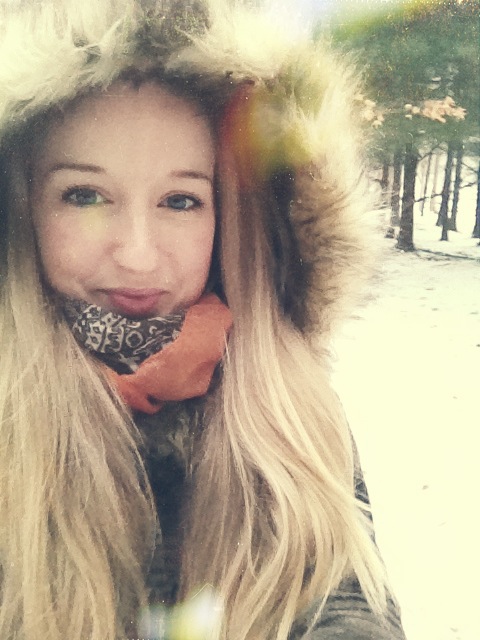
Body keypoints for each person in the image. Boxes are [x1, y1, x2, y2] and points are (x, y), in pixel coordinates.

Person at [0, 1, 406, 639]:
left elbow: (342, 598)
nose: (137, 255)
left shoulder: (285, 404)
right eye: (85, 195)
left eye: (180, 200)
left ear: (230, 217)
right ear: (21, 210)